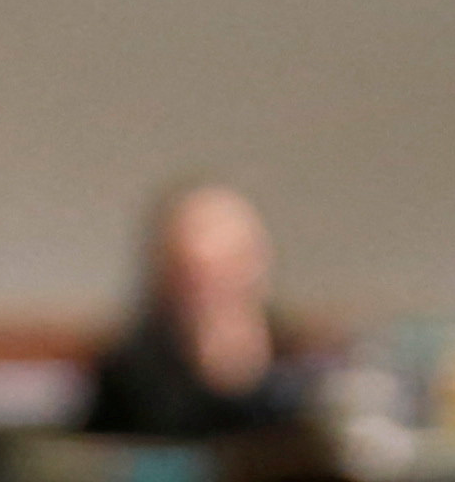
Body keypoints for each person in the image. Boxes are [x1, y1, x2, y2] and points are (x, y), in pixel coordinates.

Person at [79, 178, 319, 442]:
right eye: (196, 274)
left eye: (233, 266)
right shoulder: (128, 372)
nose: (216, 288)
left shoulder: (298, 364)